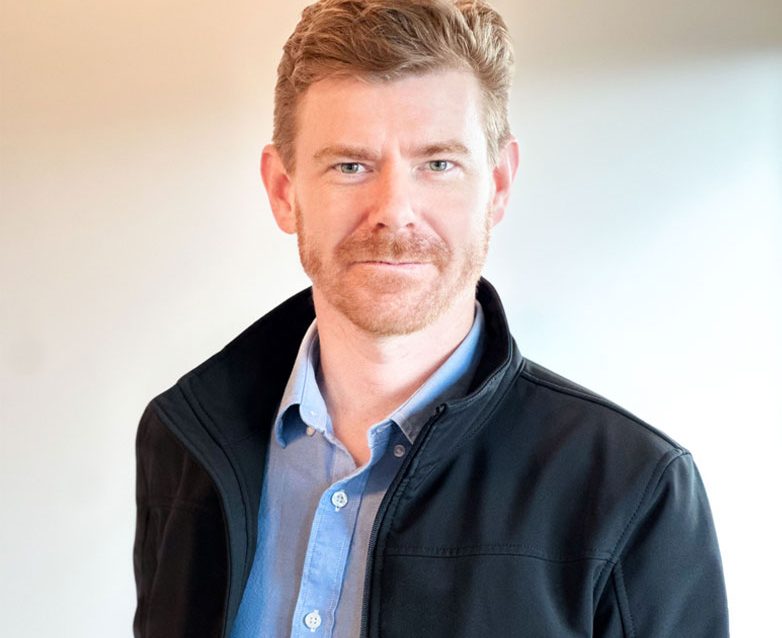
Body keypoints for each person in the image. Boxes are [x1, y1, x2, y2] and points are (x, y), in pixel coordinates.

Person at [133, 1, 729, 636]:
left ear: (498, 185)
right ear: (284, 191)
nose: (394, 210)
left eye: (438, 164)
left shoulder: (635, 489)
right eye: (350, 166)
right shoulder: (182, 442)